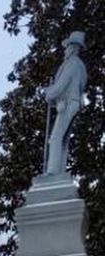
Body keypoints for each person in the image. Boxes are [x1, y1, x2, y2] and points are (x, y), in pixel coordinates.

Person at [45, 31, 87, 175]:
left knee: (56, 137)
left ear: (73, 48)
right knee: (63, 139)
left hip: (68, 103)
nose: (65, 50)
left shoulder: (73, 64)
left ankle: (52, 171)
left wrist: (49, 93)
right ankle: (59, 171)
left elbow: (62, 85)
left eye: (68, 46)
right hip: (71, 102)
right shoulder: (80, 66)